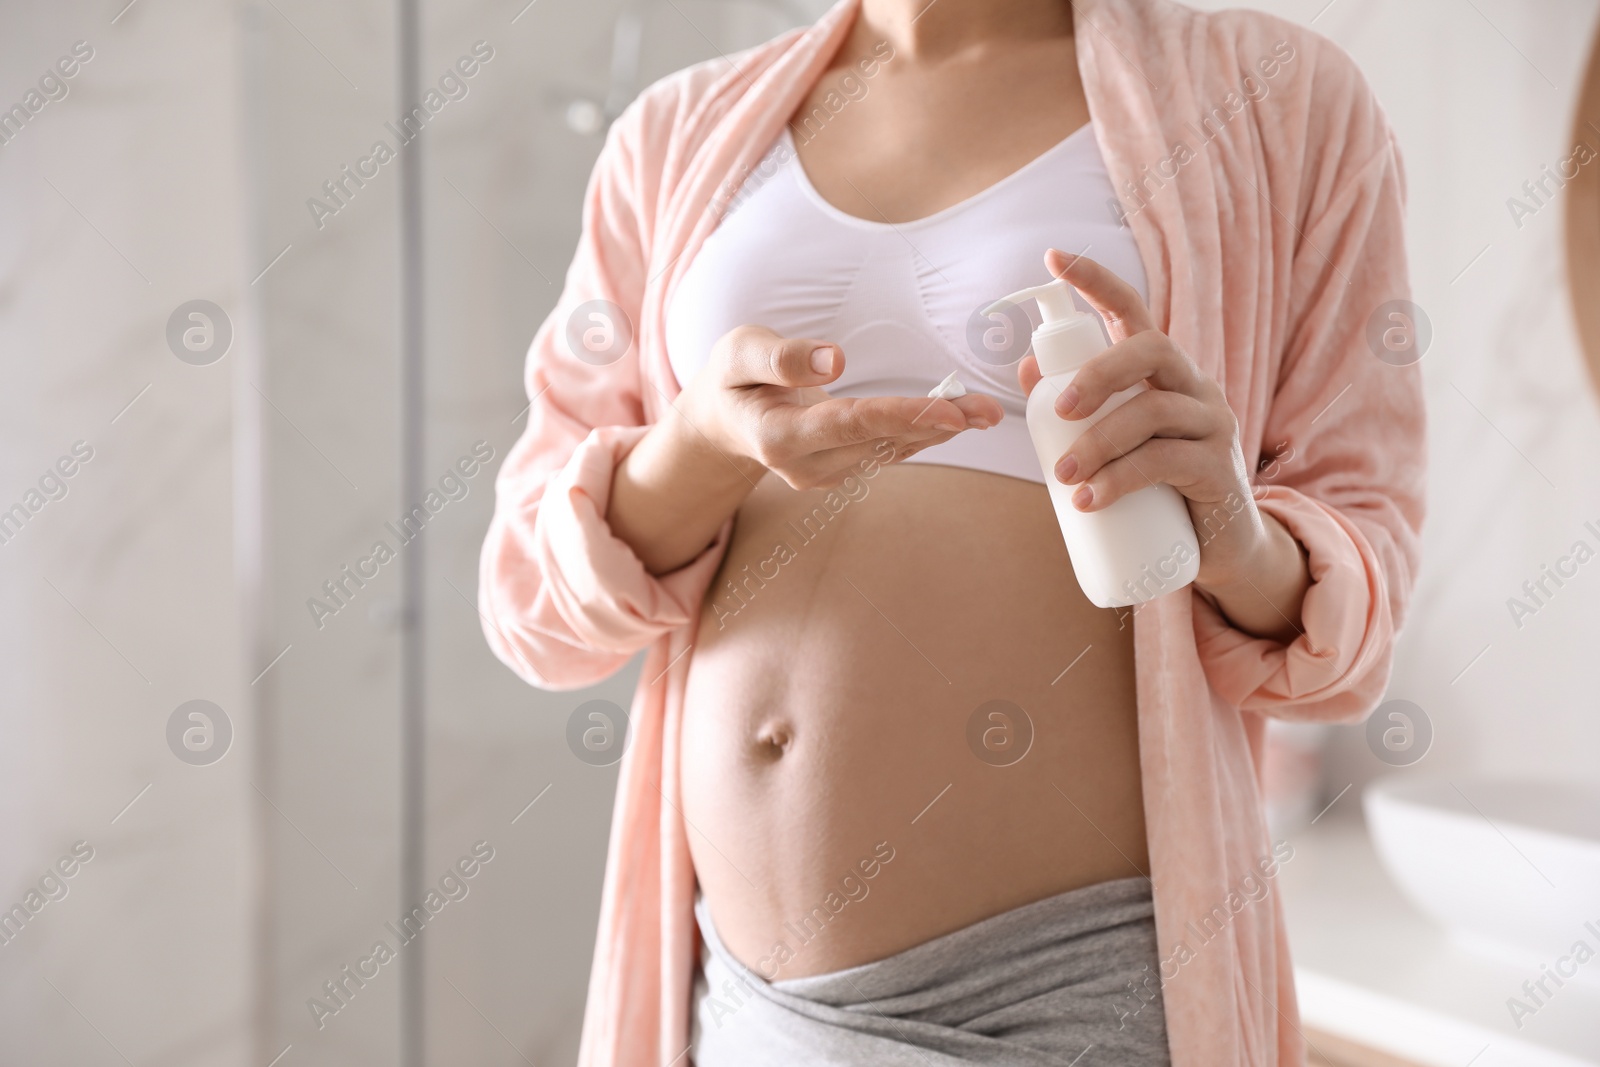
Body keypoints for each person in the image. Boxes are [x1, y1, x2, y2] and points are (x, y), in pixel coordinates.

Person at [478, 0, 1425, 1063]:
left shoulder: (1276, 95)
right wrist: (697, 445)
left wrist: (1229, 530)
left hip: (1057, 997)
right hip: (736, 1002)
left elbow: (1361, 575)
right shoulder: (675, 133)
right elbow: (531, 604)